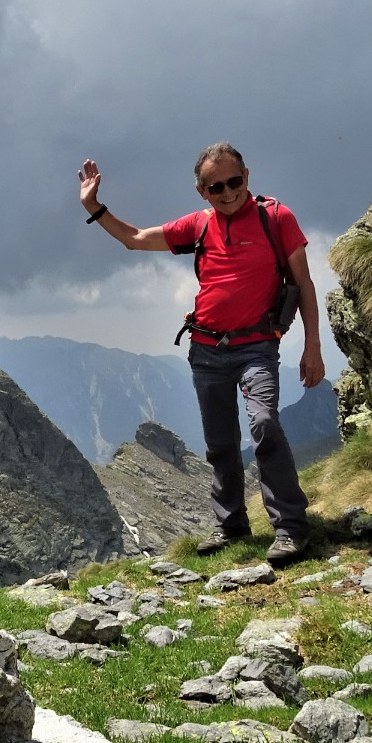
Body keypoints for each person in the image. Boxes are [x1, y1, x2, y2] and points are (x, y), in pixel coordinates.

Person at [76, 143, 324, 565]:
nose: (228, 192)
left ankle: (290, 530)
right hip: (206, 349)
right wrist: (95, 206)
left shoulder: (276, 218)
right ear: (201, 191)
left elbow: (304, 283)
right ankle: (230, 526)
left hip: (257, 347)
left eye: (235, 181)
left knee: (264, 424)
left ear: (248, 174)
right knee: (220, 443)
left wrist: (313, 347)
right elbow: (135, 240)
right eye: (216, 186)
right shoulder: (199, 225)